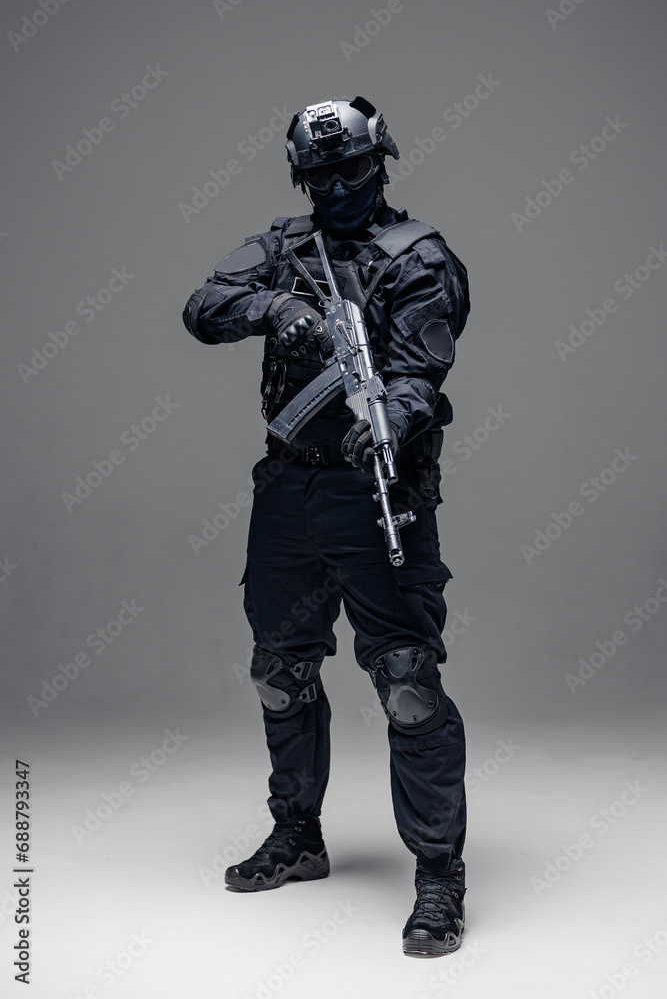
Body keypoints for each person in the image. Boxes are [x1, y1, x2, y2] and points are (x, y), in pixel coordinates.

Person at [182, 96, 471, 957]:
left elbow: (423, 370)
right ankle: (297, 836)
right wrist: (277, 310)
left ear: (380, 162)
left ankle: (438, 874)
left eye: (352, 169)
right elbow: (202, 307)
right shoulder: (282, 249)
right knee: (279, 671)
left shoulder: (417, 257)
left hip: (375, 490)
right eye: (320, 175)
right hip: (288, 488)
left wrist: (391, 417)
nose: (338, 187)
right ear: (300, 178)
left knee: (407, 682)